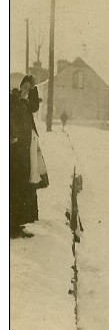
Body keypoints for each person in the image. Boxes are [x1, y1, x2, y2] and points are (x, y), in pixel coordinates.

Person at [10, 76, 42, 238]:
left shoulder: (23, 102)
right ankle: (11, 226)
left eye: (29, 88)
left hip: (24, 149)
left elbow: (34, 107)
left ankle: (17, 223)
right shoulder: (12, 101)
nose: (26, 91)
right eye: (24, 87)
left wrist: (30, 92)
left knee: (23, 183)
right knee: (15, 184)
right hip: (15, 150)